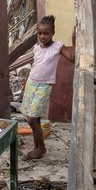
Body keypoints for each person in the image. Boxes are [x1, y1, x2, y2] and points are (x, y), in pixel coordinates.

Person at [20, 15, 75, 160]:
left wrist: (75, 40)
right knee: (33, 119)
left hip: (44, 86)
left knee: (32, 119)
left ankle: (42, 147)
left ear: (53, 33)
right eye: (40, 33)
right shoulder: (36, 48)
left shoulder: (58, 46)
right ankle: (36, 148)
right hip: (32, 84)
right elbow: (35, 68)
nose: (43, 36)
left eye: (46, 33)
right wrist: (24, 87)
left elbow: (71, 57)